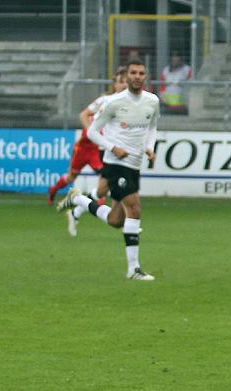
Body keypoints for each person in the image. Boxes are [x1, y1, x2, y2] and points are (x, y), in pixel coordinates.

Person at [57, 59, 160, 281]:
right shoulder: (113, 102)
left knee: (116, 220)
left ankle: (79, 200)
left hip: (134, 165)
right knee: (135, 208)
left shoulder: (152, 101)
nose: (137, 76)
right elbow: (93, 131)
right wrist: (113, 148)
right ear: (127, 76)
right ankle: (134, 269)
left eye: (141, 73)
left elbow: (152, 127)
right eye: (133, 72)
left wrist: (150, 148)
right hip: (115, 163)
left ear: (145, 77)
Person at [46, 69, 127, 207]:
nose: (124, 85)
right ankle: (53, 190)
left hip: (97, 149)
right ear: (115, 85)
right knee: (71, 177)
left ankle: (99, 202)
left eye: (126, 81)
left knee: (103, 173)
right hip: (83, 149)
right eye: (121, 82)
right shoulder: (104, 102)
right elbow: (85, 116)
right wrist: (92, 131)